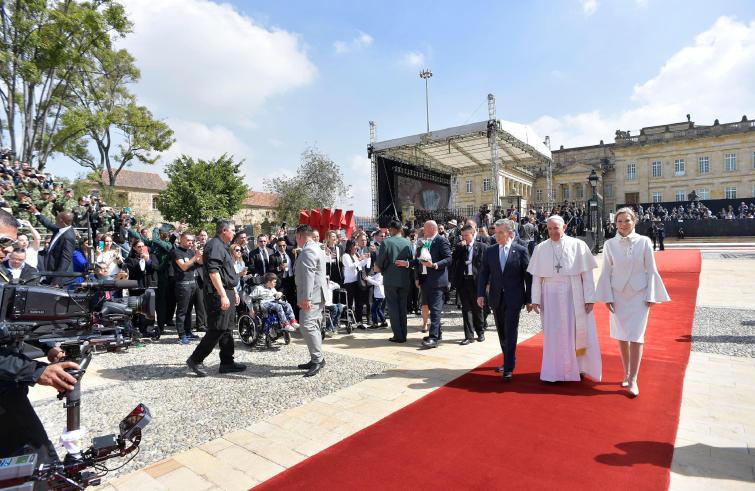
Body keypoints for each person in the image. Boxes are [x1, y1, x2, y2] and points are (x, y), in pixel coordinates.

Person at [0, 208, 81, 474]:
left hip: (8, 384)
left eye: (9, 244)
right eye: (2, 242)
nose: (6, 250)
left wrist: (49, 347)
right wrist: (36, 371)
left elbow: (15, 324)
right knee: (42, 464)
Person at [595, 208, 670, 397]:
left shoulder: (644, 242)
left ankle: (634, 379)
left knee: (636, 336)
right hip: (618, 294)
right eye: (619, 221)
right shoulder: (610, 244)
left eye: (626, 221)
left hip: (639, 294)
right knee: (621, 336)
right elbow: (606, 271)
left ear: (634, 222)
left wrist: (652, 295)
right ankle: (627, 373)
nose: (623, 224)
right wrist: (606, 296)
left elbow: (651, 270)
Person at [527, 215, 602, 383]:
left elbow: (587, 276)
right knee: (553, 334)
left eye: (556, 228)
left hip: (573, 293)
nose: (553, 232)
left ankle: (578, 368)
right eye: (550, 229)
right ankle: (553, 372)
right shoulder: (540, 248)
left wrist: (589, 298)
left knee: (575, 332)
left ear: (565, 227)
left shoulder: (578, 245)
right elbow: (537, 278)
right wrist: (535, 299)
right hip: (550, 296)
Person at [186, 220, 245, 377]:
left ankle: (227, 362)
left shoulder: (222, 246)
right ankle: (195, 359)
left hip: (228, 291)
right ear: (224, 231)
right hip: (218, 294)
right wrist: (223, 295)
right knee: (217, 328)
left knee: (227, 328)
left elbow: (226, 273)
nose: (235, 233)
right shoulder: (215, 245)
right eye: (233, 230)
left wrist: (234, 292)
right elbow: (213, 272)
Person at [476, 219, 531, 381]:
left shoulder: (520, 250)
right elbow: (483, 273)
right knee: (501, 331)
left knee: (510, 330)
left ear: (510, 233)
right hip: (496, 297)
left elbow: (528, 277)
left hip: (514, 298)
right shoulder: (491, 251)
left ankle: (508, 367)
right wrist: (480, 294)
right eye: (496, 232)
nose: (496, 235)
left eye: (500, 232)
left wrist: (529, 299)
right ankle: (508, 359)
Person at [396, 220, 452, 348]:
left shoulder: (441, 240)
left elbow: (449, 259)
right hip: (426, 280)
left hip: (437, 281)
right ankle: (437, 333)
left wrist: (435, 265)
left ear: (432, 228)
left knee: (436, 310)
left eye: (425, 228)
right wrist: (408, 263)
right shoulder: (424, 241)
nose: (422, 230)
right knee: (432, 308)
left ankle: (433, 338)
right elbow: (420, 261)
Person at [294, 224, 328, 377]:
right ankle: (317, 357)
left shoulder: (308, 251)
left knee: (307, 326)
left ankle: (317, 360)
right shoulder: (315, 248)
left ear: (300, 236)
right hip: (316, 294)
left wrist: (306, 297)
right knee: (312, 325)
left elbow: (309, 275)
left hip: (312, 296)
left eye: (296, 237)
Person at [375, 220, 412, 342]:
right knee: (402, 307)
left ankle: (398, 336)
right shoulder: (408, 242)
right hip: (404, 279)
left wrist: (382, 269)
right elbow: (411, 261)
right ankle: (404, 334)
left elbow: (380, 261)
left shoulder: (387, 242)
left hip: (390, 279)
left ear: (391, 229)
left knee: (393, 308)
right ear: (400, 229)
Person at [452, 224, 487, 345]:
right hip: (464, 281)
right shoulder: (461, 247)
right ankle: (469, 336)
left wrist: (487, 282)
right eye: (463, 236)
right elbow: (453, 259)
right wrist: (458, 248)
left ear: (473, 234)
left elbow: (487, 266)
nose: (464, 238)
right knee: (466, 309)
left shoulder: (482, 247)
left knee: (477, 308)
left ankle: (480, 332)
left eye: (466, 235)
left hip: (476, 281)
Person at [172, 232, 203, 344]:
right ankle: (181, 335)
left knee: (189, 310)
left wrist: (199, 255)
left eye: (192, 240)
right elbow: (184, 266)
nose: (190, 242)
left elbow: (201, 262)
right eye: (188, 240)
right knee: (182, 311)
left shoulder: (190, 251)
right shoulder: (176, 252)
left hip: (192, 283)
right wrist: (195, 257)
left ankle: (188, 331)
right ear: (181, 239)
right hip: (182, 284)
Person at [341, 238, 371, 329]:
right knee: (349, 302)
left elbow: (361, 266)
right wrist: (360, 260)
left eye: (357, 246)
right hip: (349, 282)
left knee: (359, 302)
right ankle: (349, 321)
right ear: (350, 247)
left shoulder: (356, 254)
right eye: (355, 246)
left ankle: (359, 321)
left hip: (358, 281)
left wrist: (366, 259)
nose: (356, 247)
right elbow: (350, 267)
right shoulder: (345, 256)